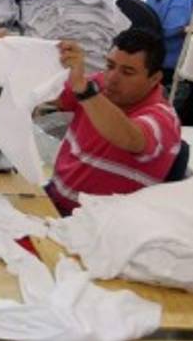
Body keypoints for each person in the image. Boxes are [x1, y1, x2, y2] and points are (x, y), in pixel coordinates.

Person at [46, 29, 182, 216]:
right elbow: (47, 94)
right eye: (110, 66)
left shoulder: (163, 120)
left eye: (127, 72)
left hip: (94, 227)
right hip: (51, 201)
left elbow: (128, 136)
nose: (112, 78)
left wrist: (84, 90)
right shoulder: (98, 85)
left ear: (154, 79)